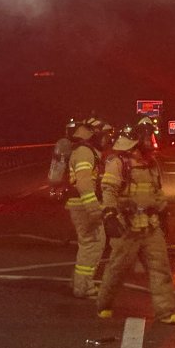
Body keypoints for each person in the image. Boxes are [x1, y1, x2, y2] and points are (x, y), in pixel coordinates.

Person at [96, 125, 175, 324]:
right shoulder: (118, 163)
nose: (151, 143)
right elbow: (109, 190)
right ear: (137, 142)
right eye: (148, 139)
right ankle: (104, 305)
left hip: (150, 226)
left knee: (160, 269)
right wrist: (109, 214)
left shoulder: (151, 164)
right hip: (127, 226)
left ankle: (166, 312)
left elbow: (156, 191)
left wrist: (163, 212)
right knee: (117, 268)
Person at [66, 117, 109, 298]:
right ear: (93, 134)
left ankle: (78, 282)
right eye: (103, 134)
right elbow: (84, 182)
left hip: (80, 204)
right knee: (92, 244)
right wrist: (93, 208)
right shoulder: (84, 152)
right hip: (84, 205)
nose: (106, 139)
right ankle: (83, 287)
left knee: (89, 244)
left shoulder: (85, 150)